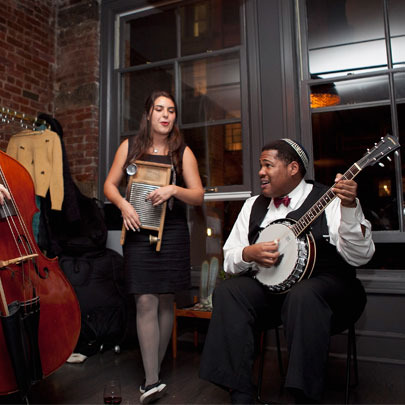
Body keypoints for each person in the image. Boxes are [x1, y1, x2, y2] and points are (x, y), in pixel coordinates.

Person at [199, 139, 375, 404]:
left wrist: (349, 208)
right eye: (260, 165)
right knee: (229, 292)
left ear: (293, 168)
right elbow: (229, 260)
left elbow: (361, 256)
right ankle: (240, 394)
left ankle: (304, 397)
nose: (260, 172)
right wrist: (249, 253)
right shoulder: (253, 206)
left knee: (303, 295)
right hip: (276, 295)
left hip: (330, 295)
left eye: (268, 165)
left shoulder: (331, 199)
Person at [104, 90, 204, 404]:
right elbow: (109, 185)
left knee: (165, 301)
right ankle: (151, 381)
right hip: (138, 229)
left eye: (171, 110)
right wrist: (124, 205)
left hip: (171, 231)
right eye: (159, 109)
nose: (165, 115)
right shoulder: (130, 147)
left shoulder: (182, 152)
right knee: (145, 299)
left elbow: (198, 195)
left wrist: (174, 189)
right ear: (148, 114)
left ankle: (154, 372)